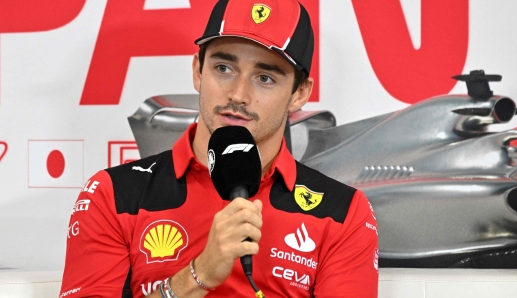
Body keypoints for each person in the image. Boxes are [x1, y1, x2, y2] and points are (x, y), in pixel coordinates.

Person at [59, 0, 379, 297]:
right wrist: (198, 275)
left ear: (299, 94)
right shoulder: (112, 195)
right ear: (198, 70)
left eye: (265, 78)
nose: (238, 94)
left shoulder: (344, 213)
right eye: (223, 69)